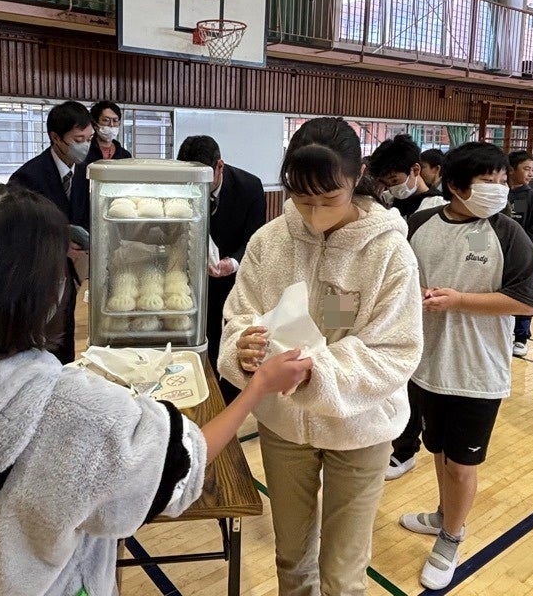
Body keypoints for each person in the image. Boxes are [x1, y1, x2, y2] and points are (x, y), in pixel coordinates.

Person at [0, 182, 311, 596]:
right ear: (38, 292)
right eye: (60, 267)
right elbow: (183, 465)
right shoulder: (74, 413)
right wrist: (257, 388)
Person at [218, 117, 423, 596]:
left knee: (343, 572)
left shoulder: (389, 252)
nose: (313, 213)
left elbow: (396, 350)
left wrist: (319, 372)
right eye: (301, 198)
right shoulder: (270, 241)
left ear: (357, 178)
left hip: (361, 425)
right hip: (284, 423)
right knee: (291, 558)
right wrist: (242, 346)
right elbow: (239, 316)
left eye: (328, 199)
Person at [399, 142, 533, 590]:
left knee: (462, 464)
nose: (499, 189)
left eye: (502, 181)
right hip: (427, 365)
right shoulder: (419, 224)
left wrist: (460, 300)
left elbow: (525, 302)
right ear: (457, 187)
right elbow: (395, 281)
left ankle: (451, 538)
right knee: (439, 452)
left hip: (477, 372)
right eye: (488, 181)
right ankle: (444, 515)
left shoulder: (507, 233)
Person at [368, 134, 444, 482]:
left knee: (413, 380)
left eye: (394, 179)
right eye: (384, 182)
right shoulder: (385, 205)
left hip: (420, 304)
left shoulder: (436, 209)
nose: (389, 187)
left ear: (415, 170)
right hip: (385, 303)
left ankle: (405, 449)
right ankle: (393, 438)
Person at [176, 135, 266, 404]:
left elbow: (255, 238)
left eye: (204, 179)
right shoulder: (181, 185)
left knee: (233, 335)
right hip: (192, 276)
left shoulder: (249, 187)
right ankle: (198, 390)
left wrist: (233, 263)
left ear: (220, 167)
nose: (197, 188)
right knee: (199, 334)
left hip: (234, 276)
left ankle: (228, 398)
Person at [9, 100, 95, 365]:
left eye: (89, 138)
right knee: (38, 338)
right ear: (55, 137)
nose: (85, 146)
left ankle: (64, 371)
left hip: (71, 275)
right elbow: (16, 231)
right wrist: (57, 243)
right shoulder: (28, 177)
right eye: (78, 140)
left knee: (64, 331)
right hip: (38, 276)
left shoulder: (88, 172)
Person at [507, 150, 533, 357]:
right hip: (496, 254)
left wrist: (521, 250)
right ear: (511, 170)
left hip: (521, 256)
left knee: (522, 295)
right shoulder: (498, 193)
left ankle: (521, 338)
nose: (530, 173)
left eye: (532, 169)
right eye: (526, 169)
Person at [369, 134, 447, 217]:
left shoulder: (438, 206)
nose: (392, 188)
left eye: (394, 181)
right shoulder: (386, 199)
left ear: (415, 170)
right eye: (386, 184)